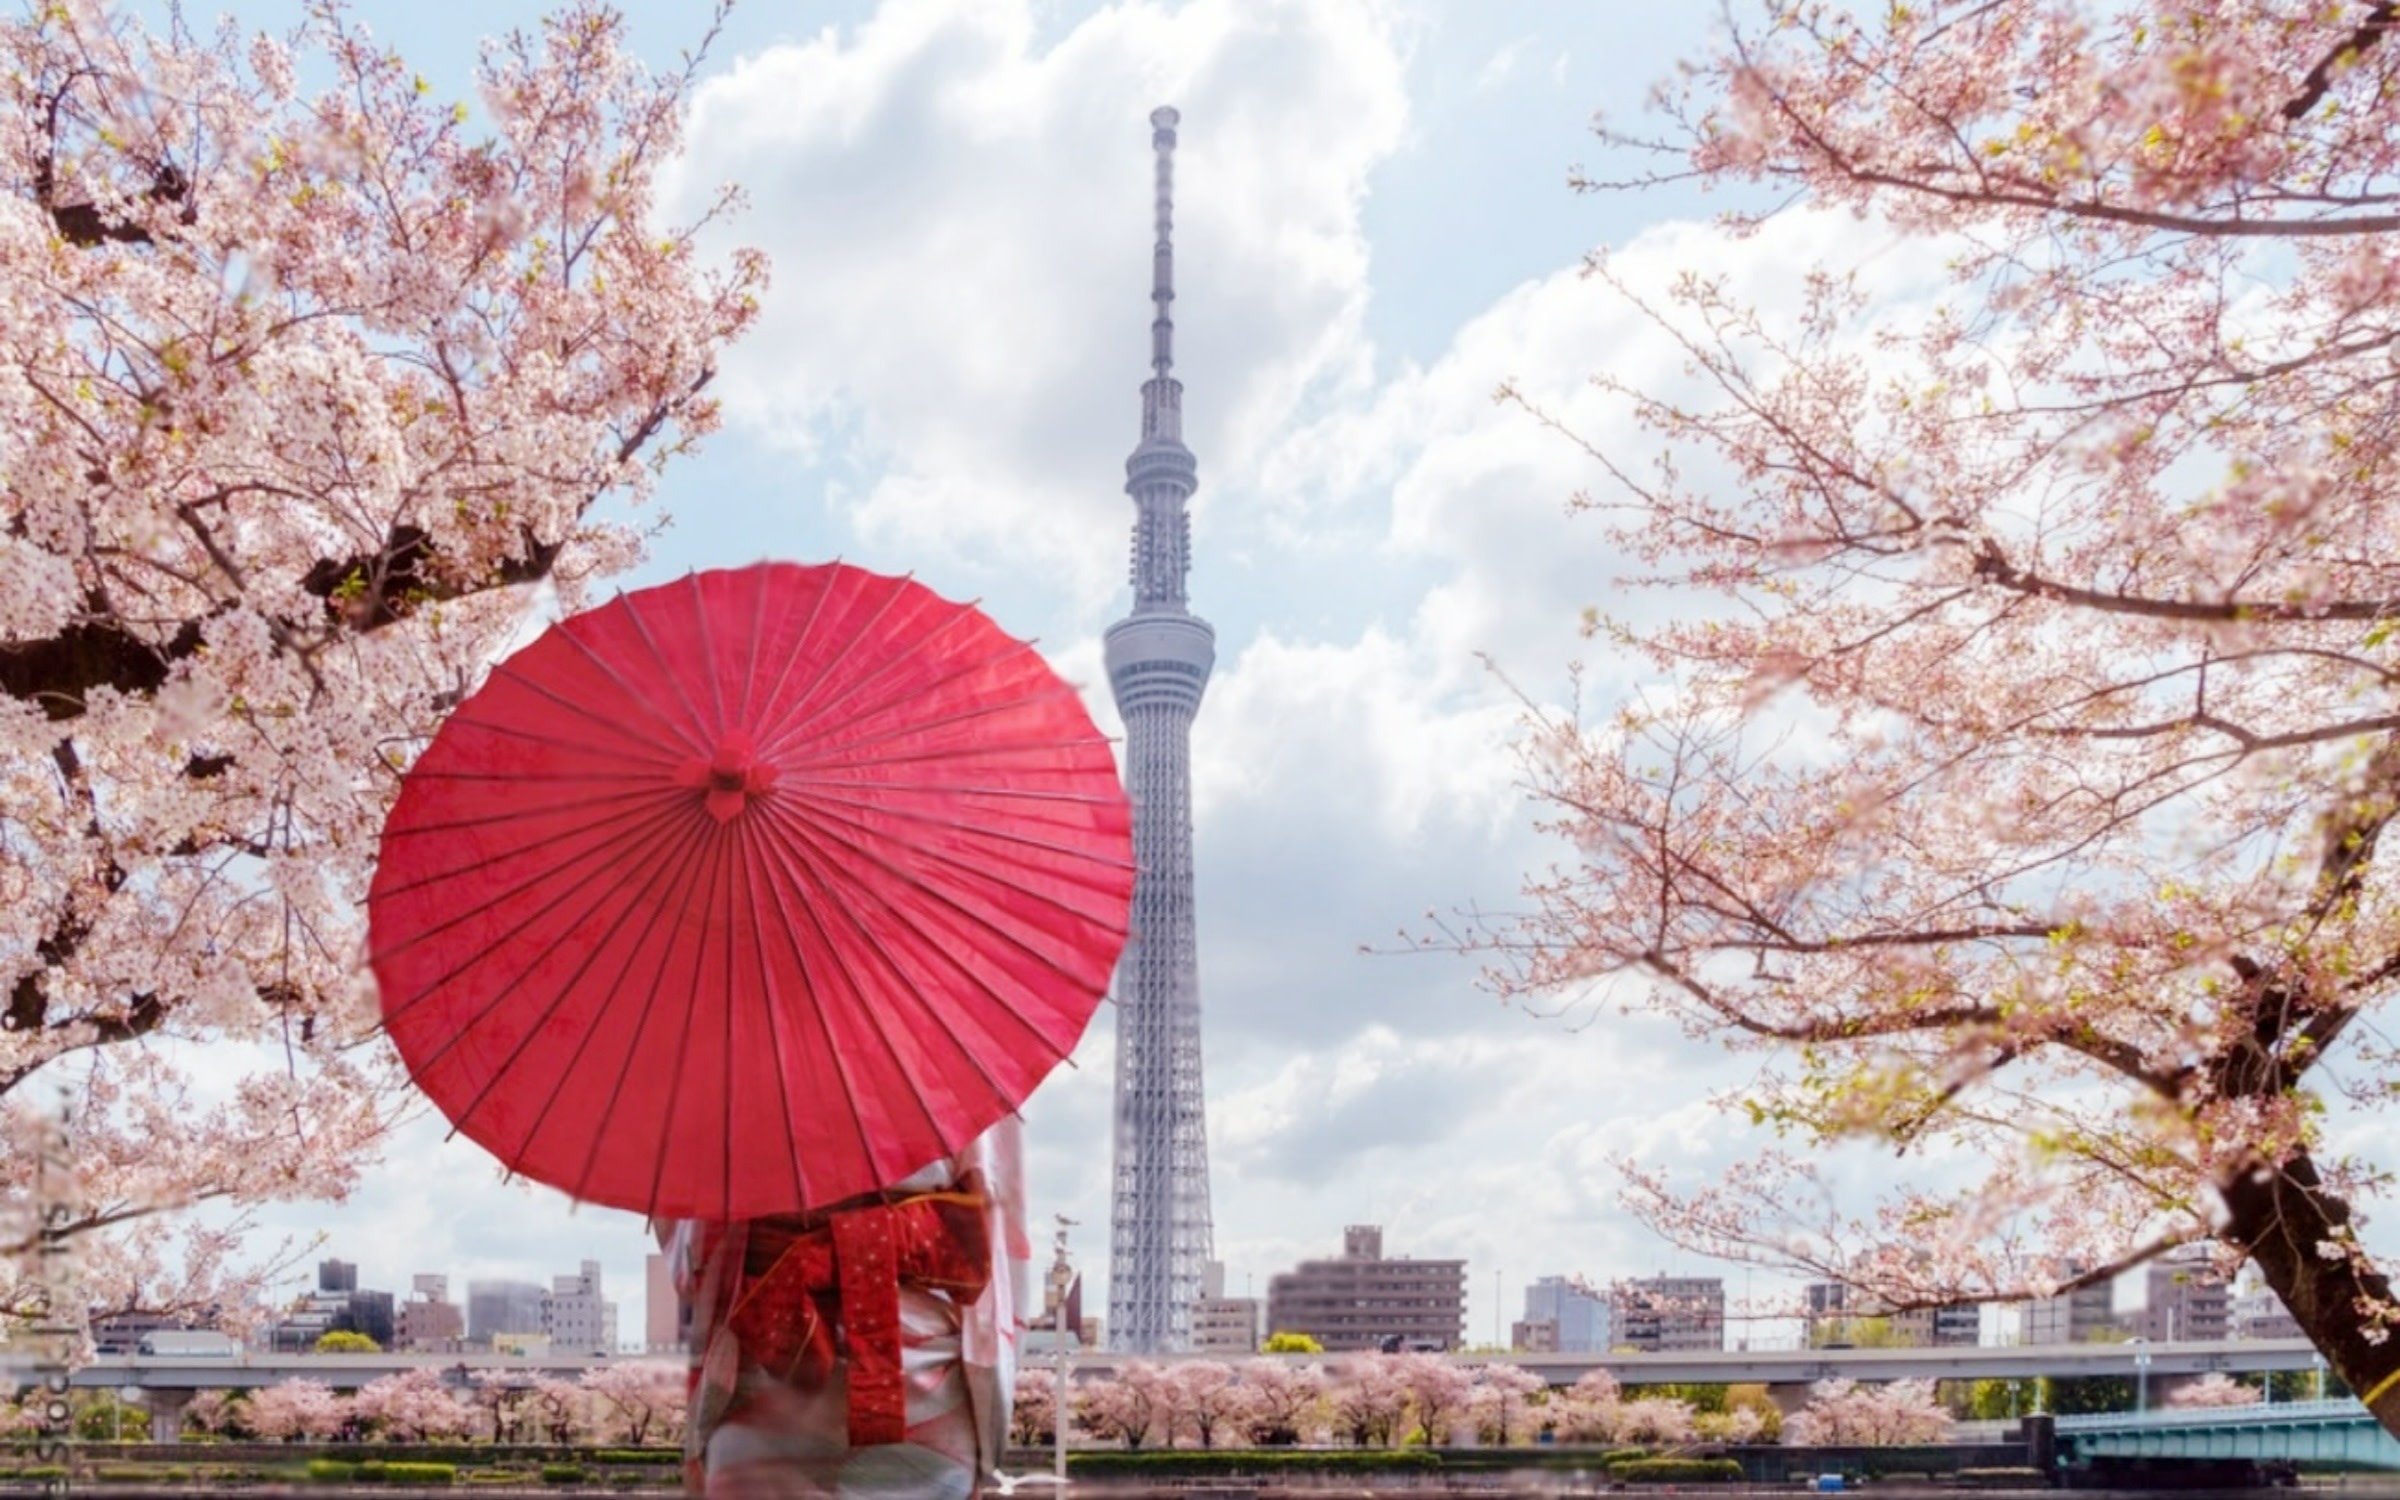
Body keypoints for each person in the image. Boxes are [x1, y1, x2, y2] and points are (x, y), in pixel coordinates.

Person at [666, 1121, 1027, 1499]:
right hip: (925, 1376)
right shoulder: (953, 1086)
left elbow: (691, 1247)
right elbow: (999, 1215)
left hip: (770, 1354)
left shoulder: (717, 1089)